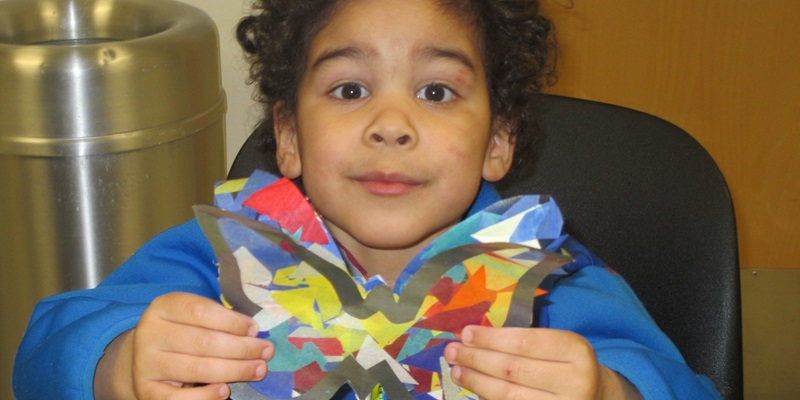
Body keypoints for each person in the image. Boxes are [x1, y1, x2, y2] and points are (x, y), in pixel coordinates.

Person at [12, 0, 722, 399]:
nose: (390, 124)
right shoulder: (219, 258)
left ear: (497, 141)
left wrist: (607, 393)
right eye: (349, 90)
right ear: (287, 136)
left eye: (436, 92)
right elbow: (41, 350)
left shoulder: (554, 282)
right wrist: (119, 365)